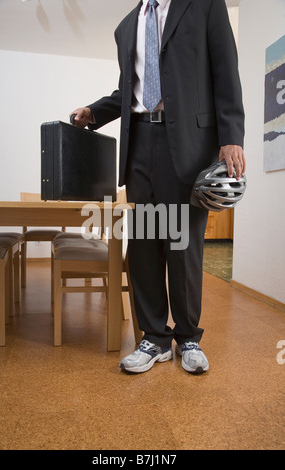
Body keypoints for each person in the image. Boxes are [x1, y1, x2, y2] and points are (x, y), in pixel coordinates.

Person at [70, 0, 246, 374]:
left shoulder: (204, 7)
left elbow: (225, 71)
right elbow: (128, 90)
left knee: (181, 243)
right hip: (139, 143)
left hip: (186, 145)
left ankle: (188, 338)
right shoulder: (127, 25)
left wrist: (232, 136)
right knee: (146, 245)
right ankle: (153, 337)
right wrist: (95, 111)